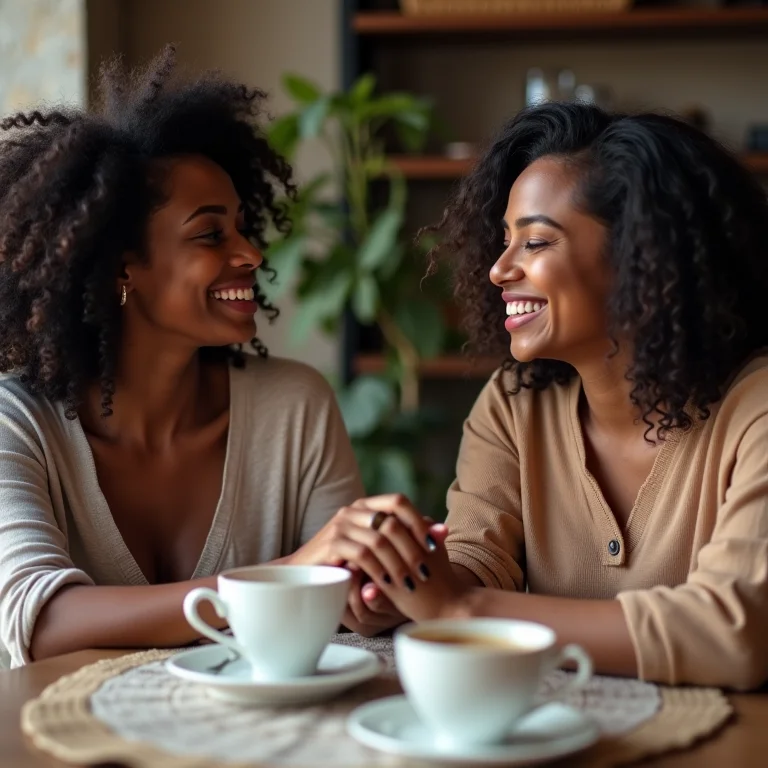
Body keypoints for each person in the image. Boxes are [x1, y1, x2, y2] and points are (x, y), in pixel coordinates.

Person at [0, 46, 441, 668]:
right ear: (121, 266)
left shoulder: (295, 408)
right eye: (211, 234)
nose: (252, 255)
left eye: (242, 226)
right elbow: (39, 622)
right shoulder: (18, 424)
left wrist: (372, 588)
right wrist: (284, 576)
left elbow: (342, 619)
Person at [346, 102, 768, 690]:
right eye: (503, 240)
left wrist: (459, 611)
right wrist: (403, 583)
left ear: (642, 258)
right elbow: (477, 563)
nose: (498, 270)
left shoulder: (757, 411)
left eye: (536, 242)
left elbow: (731, 633)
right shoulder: (516, 402)